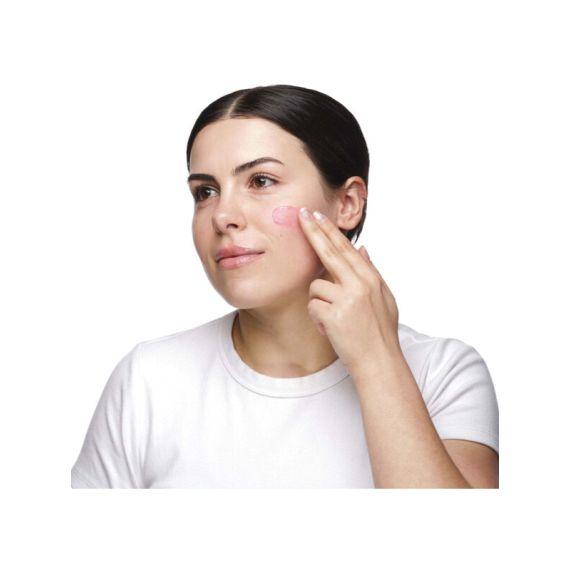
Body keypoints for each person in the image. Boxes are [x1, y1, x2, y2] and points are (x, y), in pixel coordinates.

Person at [71, 84, 499, 488]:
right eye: (205, 191)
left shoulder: (441, 372)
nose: (222, 216)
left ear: (347, 203)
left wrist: (376, 360)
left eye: (261, 181)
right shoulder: (149, 379)